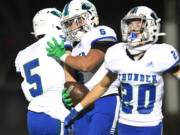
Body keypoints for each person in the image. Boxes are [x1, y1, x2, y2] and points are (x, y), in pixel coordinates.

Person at [63, 6, 180, 135]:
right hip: (125, 123)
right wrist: (77, 109)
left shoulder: (162, 54)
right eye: (130, 24)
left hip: (151, 124)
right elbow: (103, 85)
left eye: (139, 24)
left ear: (151, 26)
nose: (133, 28)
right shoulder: (118, 52)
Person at [46, 0, 120, 134]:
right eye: (69, 23)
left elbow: (87, 64)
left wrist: (63, 56)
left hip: (104, 98)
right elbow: (70, 79)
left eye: (78, 20)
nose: (73, 26)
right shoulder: (72, 47)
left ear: (91, 17)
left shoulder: (101, 32)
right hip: (81, 103)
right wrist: (69, 92)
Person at [15, 8, 71, 135]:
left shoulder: (22, 54)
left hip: (33, 115)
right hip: (56, 111)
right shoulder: (57, 37)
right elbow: (73, 59)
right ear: (55, 24)